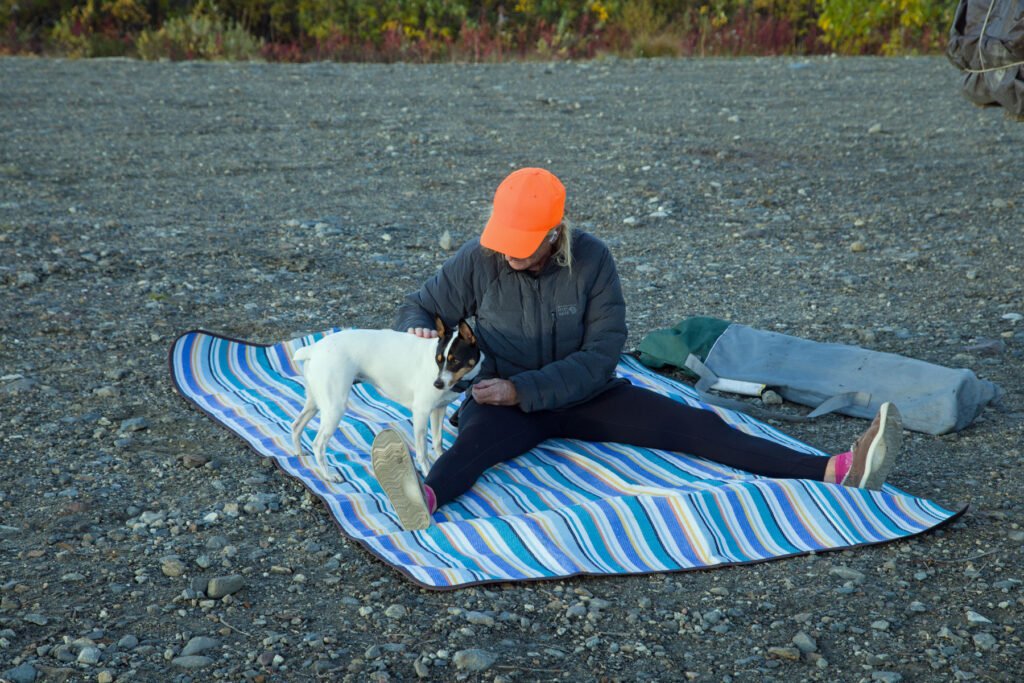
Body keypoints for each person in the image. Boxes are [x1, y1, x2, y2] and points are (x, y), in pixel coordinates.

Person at [370, 167, 902, 531]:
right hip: (497, 398)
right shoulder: (479, 257)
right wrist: (419, 333)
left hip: (588, 395)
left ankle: (835, 470)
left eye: (523, 242)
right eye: (505, 238)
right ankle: (425, 499)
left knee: (703, 429)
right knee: (471, 452)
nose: (509, 252)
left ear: (554, 232)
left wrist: (523, 388)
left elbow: (603, 353)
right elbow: (420, 307)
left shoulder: (594, 260)